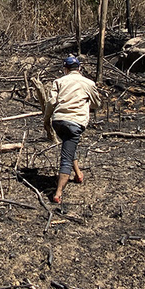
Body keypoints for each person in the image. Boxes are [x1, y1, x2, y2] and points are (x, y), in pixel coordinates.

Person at [44, 55, 101, 203]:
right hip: (75, 123)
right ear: (80, 68)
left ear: (65, 69)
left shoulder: (59, 81)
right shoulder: (88, 83)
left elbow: (51, 102)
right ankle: (57, 193)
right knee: (66, 157)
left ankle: (78, 174)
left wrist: (46, 119)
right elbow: (97, 104)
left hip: (58, 121)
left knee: (68, 145)